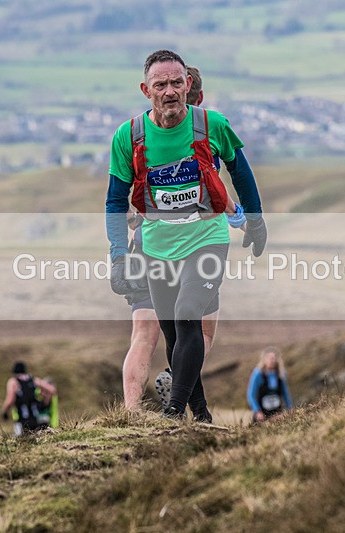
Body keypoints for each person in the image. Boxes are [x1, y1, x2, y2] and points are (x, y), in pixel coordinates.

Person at [106, 50, 266, 422]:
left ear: (188, 84)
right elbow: (115, 200)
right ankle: (201, 413)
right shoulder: (129, 136)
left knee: (188, 313)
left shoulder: (212, 125)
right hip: (157, 245)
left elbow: (240, 172)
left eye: (176, 82)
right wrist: (118, 255)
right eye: (160, 84)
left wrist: (256, 221)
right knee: (175, 335)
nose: (170, 91)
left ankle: (174, 411)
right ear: (146, 90)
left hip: (206, 237)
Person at [0, 361, 57, 436]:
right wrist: (45, 402)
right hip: (35, 419)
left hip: (21, 420)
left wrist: (4, 412)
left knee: (21, 440)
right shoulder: (33, 380)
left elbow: (10, 400)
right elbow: (52, 390)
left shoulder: (13, 382)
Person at [247, 347, 293, 423]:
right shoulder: (258, 374)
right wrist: (257, 411)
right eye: (269, 358)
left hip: (277, 413)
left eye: (273, 358)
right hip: (262, 414)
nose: (272, 360)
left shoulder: (281, 373)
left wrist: (290, 408)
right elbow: (251, 395)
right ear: (264, 360)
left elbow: (285, 393)